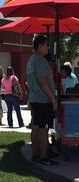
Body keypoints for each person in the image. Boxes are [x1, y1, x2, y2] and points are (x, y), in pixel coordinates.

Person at [27, 34, 58, 165]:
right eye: (46, 45)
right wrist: (53, 98)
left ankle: (35, 154)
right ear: (39, 46)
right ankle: (43, 157)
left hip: (35, 99)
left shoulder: (31, 60)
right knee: (43, 129)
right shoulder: (39, 60)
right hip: (42, 100)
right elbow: (42, 80)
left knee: (36, 126)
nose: (48, 47)